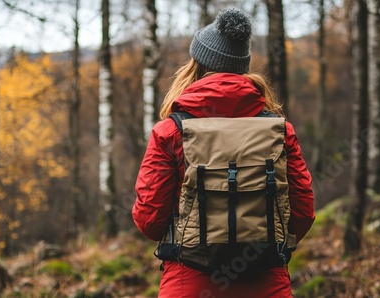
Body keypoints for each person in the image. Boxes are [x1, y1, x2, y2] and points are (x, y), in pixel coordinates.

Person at [133, 7, 314, 297]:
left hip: (189, 283)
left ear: (197, 65)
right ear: (242, 67)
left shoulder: (170, 131)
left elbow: (149, 221)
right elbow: (303, 213)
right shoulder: (280, 131)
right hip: (267, 282)